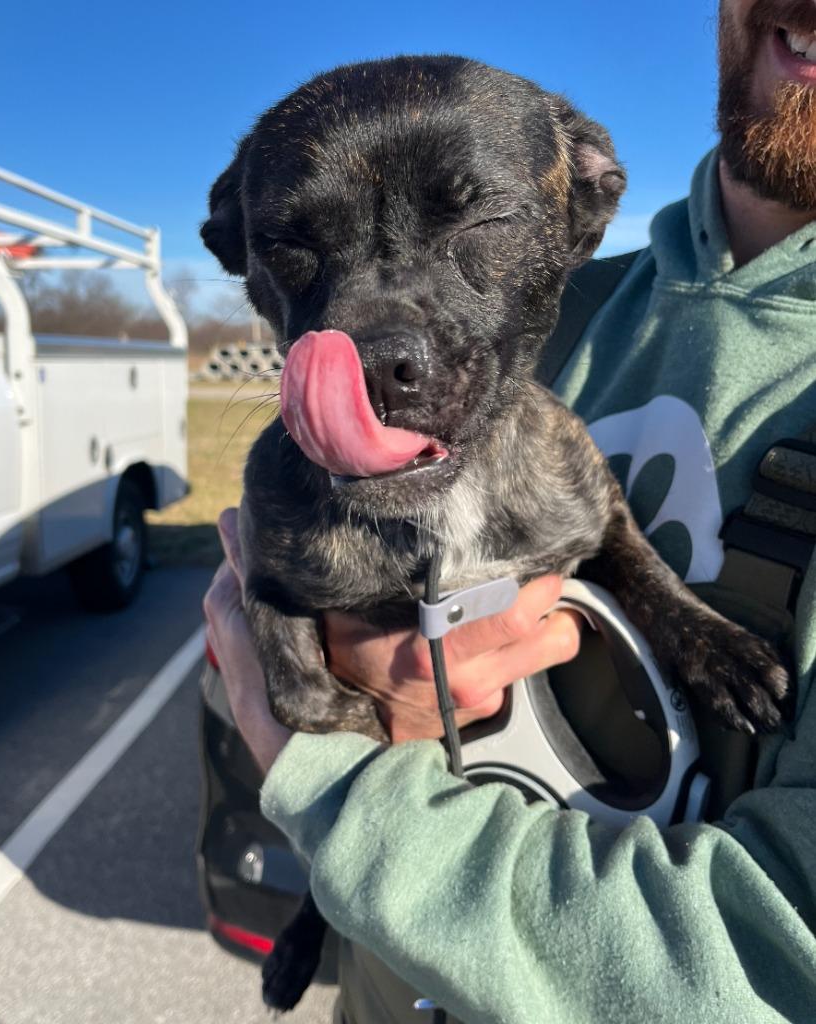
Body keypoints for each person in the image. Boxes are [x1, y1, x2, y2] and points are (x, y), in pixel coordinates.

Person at [204, 1, 816, 1020]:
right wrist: (331, 701)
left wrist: (333, 785)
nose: (372, 331)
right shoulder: (580, 302)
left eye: (481, 227)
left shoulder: (545, 394)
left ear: (585, 190)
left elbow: (776, 965)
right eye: (296, 247)